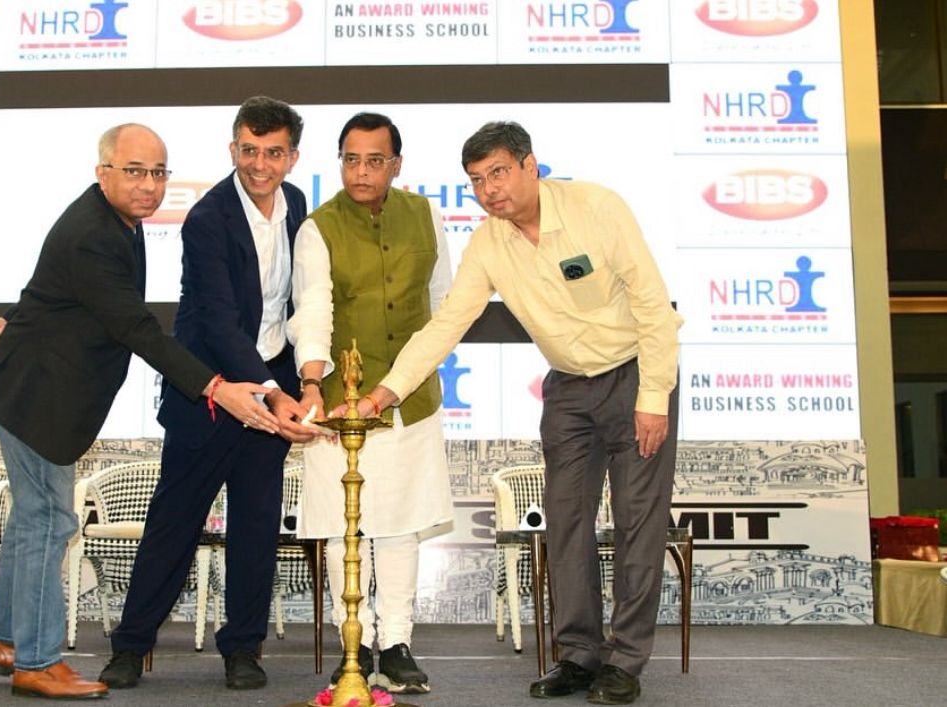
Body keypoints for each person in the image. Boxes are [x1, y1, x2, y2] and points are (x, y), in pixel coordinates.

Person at [356, 121, 682, 705]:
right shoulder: (488, 243)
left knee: (638, 524)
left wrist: (654, 397)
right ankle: (579, 656)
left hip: (635, 376)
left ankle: (625, 661)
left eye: (499, 173)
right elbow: (446, 325)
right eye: (477, 180)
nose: (489, 190)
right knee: (565, 524)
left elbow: (654, 305)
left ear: (531, 166)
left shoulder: (596, 208)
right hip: (568, 391)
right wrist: (384, 393)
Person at [0, 123, 280, 699]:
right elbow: (136, 327)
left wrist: (19, 314)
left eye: (158, 173)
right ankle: (36, 662)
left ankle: (5, 640)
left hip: (38, 387)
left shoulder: (113, 220)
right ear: (103, 172)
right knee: (49, 521)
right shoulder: (94, 232)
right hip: (39, 395)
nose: (148, 185)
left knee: (31, 518)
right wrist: (216, 387)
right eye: (134, 171)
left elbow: (60, 284)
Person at [99, 97, 320, 691]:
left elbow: (293, 304)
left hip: (271, 392)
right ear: (232, 149)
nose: (259, 164)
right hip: (210, 395)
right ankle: (130, 647)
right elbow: (220, 323)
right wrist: (270, 392)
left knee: (256, 529)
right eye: (249, 150)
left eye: (273, 153)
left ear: (292, 157)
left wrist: (296, 383)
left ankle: (243, 649)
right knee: (173, 526)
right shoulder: (207, 218)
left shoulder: (298, 206)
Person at [287, 112, 453, 695]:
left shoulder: (427, 216)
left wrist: (413, 374)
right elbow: (314, 309)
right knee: (343, 531)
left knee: (400, 526)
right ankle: (352, 645)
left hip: (411, 400)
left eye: (374, 160)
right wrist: (313, 382)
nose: (361, 172)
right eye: (351, 160)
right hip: (341, 407)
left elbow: (443, 304)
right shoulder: (318, 228)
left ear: (396, 165)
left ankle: (398, 644)